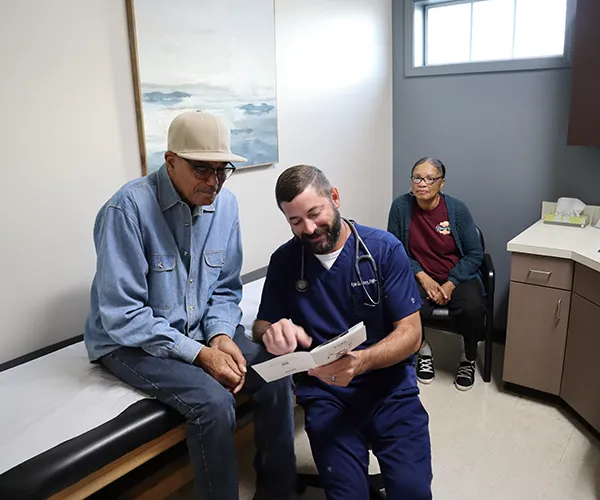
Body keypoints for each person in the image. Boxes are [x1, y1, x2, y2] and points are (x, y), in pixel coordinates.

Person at [84, 111, 296, 500]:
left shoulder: (226, 206)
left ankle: (278, 491)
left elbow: (225, 288)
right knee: (213, 404)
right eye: (202, 170)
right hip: (128, 340)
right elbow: (123, 316)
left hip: (199, 328)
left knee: (277, 374)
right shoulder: (126, 210)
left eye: (222, 170)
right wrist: (200, 354)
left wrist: (218, 333)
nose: (214, 182)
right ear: (170, 162)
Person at [253, 165, 432, 500]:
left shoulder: (383, 250)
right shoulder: (285, 262)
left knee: (412, 492)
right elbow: (261, 323)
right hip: (327, 396)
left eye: (314, 213)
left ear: (334, 198)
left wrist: (360, 362)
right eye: (295, 221)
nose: (308, 228)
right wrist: (271, 332)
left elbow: (411, 333)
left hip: (390, 390)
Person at [387, 157, 485, 391]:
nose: (422, 183)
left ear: (441, 184)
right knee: (399, 302)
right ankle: (423, 350)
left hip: (456, 276)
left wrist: (451, 282)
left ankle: (469, 357)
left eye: (430, 178)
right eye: (417, 178)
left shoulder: (457, 210)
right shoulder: (400, 207)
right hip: (420, 275)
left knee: (474, 308)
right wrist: (422, 275)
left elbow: (474, 254)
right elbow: (395, 250)